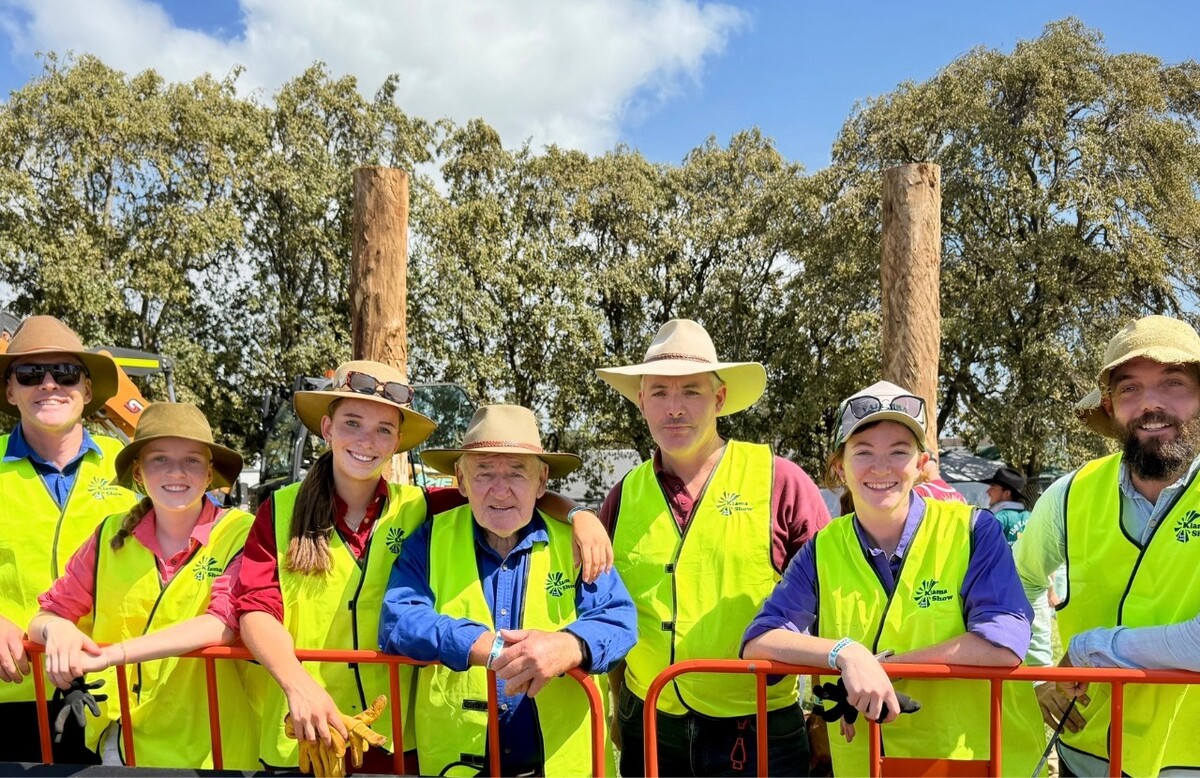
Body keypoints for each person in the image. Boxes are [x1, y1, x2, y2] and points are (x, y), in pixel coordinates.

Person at [234, 361, 611, 773]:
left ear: (397, 440)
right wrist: (298, 686)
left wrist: (579, 514)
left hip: (395, 740)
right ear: (326, 428)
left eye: (383, 429)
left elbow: (507, 493)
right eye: (352, 422)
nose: (366, 440)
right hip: (304, 728)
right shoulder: (279, 511)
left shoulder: (422, 507)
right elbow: (255, 607)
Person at [742, 380, 1047, 775]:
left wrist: (883, 667)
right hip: (869, 764)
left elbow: (1004, 641)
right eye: (863, 452)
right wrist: (846, 654)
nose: (881, 467)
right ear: (840, 467)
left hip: (976, 760)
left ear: (921, 465)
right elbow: (760, 640)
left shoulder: (974, 531)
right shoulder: (823, 548)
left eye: (899, 452)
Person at [596, 318, 830, 777]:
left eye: (692, 392)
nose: (674, 408)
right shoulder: (622, 495)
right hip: (649, 721)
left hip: (758, 724)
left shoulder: (781, 480)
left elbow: (832, 600)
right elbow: (611, 605)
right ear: (641, 400)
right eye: (659, 392)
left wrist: (822, 710)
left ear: (719, 398)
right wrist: (618, 703)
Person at [380, 404, 637, 776]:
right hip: (458, 764)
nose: (500, 490)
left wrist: (570, 645)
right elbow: (398, 620)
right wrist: (482, 645)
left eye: (517, 473)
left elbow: (619, 621)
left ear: (542, 480)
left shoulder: (576, 542)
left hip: (557, 767)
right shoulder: (429, 537)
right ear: (462, 480)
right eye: (484, 472)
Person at [1015, 315, 1200, 776]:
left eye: (1173, 383)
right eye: (1130, 388)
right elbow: (1019, 580)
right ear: (1110, 405)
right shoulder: (1070, 494)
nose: (1150, 404)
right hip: (1090, 758)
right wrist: (1040, 675)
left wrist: (1089, 649)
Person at [27, 402, 258, 769]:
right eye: (160, 459)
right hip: (123, 744)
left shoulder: (241, 532)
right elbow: (47, 614)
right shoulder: (108, 534)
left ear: (210, 471)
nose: (177, 472)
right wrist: (56, 629)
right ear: (138, 473)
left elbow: (222, 624)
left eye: (192, 460)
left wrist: (115, 654)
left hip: (215, 746)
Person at [0, 315, 136, 764]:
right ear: (10, 390)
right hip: (11, 695)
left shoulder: (137, 469)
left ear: (87, 390)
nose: (49, 385)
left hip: (114, 699)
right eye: (30, 374)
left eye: (65, 373)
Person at [984, 466, 1030, 544]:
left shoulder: (997, 518)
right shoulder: (1030, 516)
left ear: (1007, 493)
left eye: (993, 487)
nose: (987, 491)